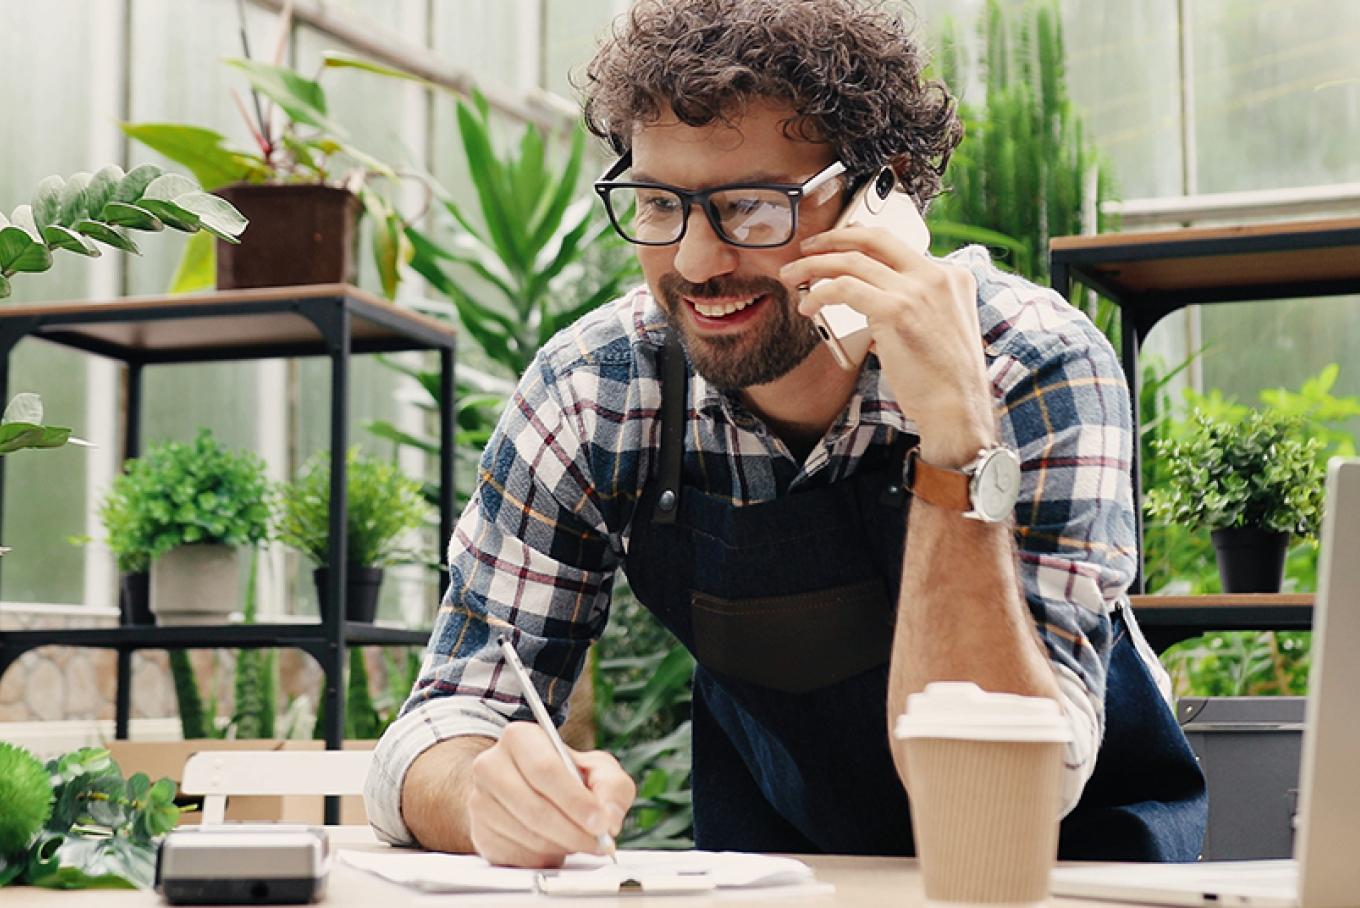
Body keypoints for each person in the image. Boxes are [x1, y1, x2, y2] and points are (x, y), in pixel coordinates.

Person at [364, 0, 1206, 867]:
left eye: (753, 208)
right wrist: (483, 797)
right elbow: (444, 720)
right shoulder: (598, 390)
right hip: (788, 876)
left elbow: (1007, 787)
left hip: (1069, 872)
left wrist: (957, 443)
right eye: (658, 204)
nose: (696, 263)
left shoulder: (1030, 364)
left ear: (883, 193)